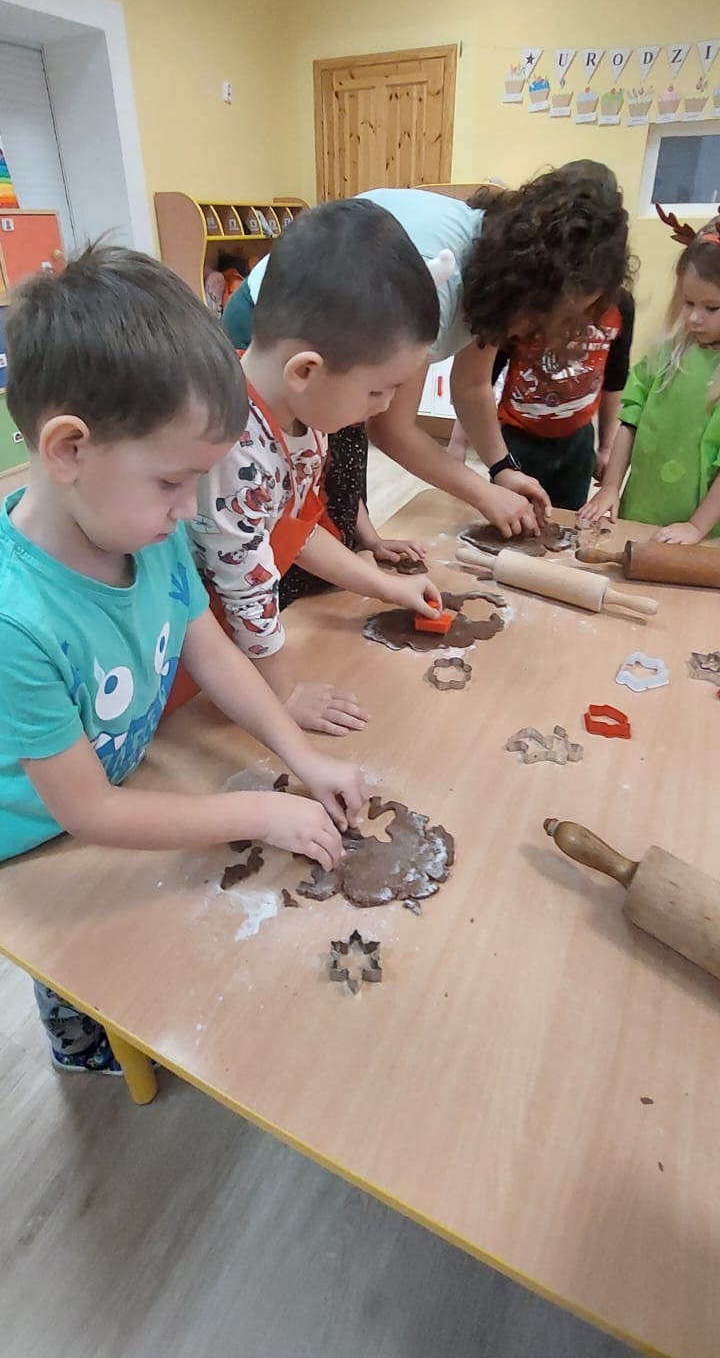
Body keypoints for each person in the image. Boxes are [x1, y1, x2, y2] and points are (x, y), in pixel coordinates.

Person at [0, 246, 364, 1071]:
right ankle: (74, 1039)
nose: (192, 505)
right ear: (69, 450)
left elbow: (214, 650)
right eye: (173, 481)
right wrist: (259, 813)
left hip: (112, 779)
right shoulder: (16, 622)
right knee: (76, 954)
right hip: (35, 833)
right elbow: (88, 815)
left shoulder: (146, 531)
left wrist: (301, 758)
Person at [191, 200, 443, 737]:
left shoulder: (302, 412)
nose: (384, 407)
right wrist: (281, 695)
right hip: (194, 658)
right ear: (305, 370)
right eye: (377, 391)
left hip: (234, 644)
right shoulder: (236, 449)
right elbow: (245, 588)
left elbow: (294, 530)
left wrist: (384, 586)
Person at [363, 172, 632, 535]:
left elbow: (472, 385)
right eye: (555, 317)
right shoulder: (436, 281)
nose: (549, 334)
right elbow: (390, 428)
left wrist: (502, 468)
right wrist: (483, 493)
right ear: (533, 288)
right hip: (296, 365)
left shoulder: (495, 272)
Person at [447, 163, 636, 510]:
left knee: (563, 523)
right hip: (519, 437)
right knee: (513, 516)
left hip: (577, 441)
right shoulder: (529, 298)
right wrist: (460, 441)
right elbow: (478, 378)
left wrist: (607, 445)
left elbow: (615, 378)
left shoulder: (620, 307)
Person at [579, 219, 720, 542]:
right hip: (639, 512)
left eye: (711, 308)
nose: (694, 317)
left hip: (702, 532)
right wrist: (610, 487)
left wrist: (696, 527)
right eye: (688, 303)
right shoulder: (664, 356)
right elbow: (630, 423)